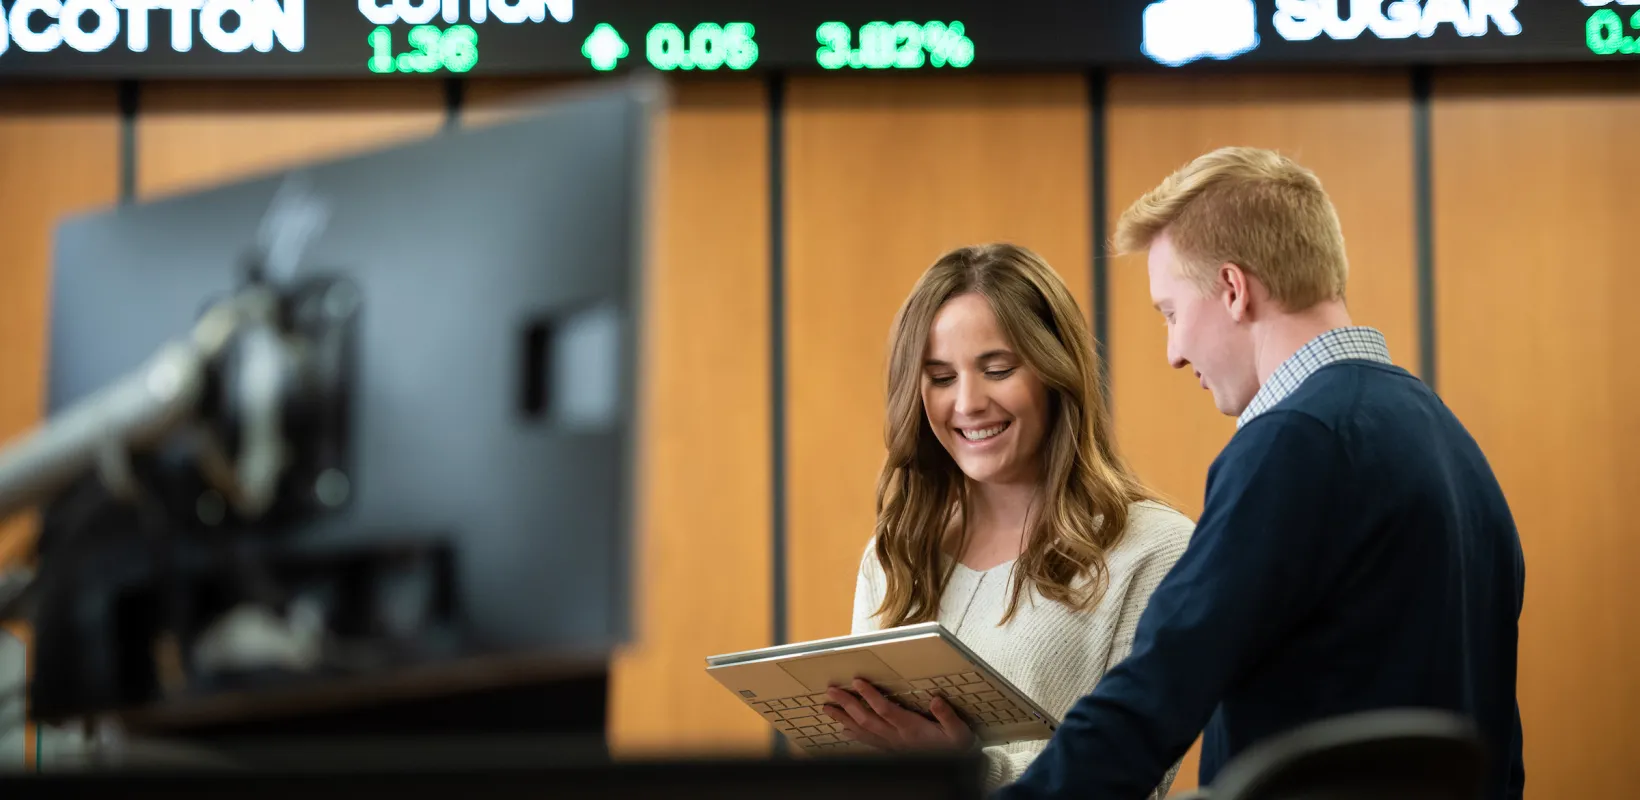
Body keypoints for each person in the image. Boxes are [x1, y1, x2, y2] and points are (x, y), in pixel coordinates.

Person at [995, 147, 1526, 799]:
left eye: (1170, 313)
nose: (1173, 352)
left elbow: (1158, 688)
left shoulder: (1292, 443)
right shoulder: (1449, 440)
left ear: (1233, 289)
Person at [820, 244, 1195, 795]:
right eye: (941, 378)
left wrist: (970, 770)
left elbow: (1134, 779)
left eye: (997, 370)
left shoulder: (1155, 550)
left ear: (1056, 372)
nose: (968, 403)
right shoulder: (894, 554)